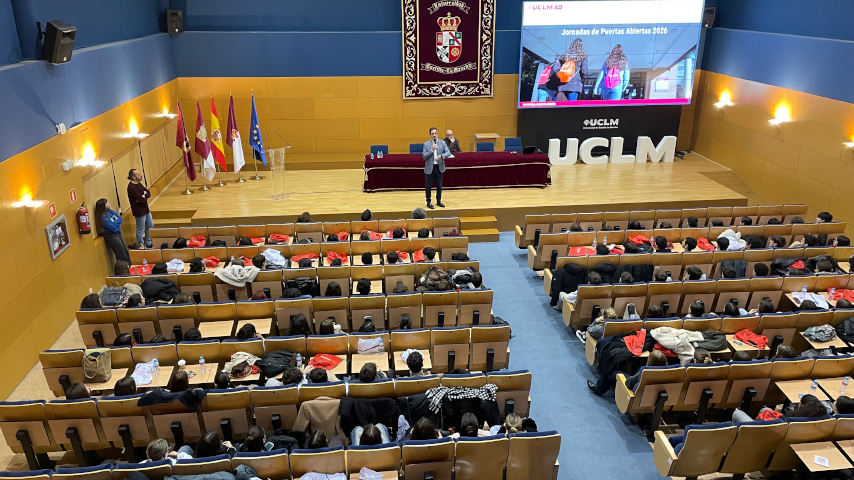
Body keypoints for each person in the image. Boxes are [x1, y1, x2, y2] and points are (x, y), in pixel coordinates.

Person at [733, 394, 826, 423]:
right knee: (765, 410)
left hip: (763, 433)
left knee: (737, 413)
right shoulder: (820, 419)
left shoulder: (788, 419)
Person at [94, 198, 131, 264]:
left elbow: (119, 219)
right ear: (103, 205)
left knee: (125, 251)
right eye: (107, 203)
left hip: (118, 233)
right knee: (121, 254)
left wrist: (114, 222)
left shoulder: (110, 211)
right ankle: (124, 269)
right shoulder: (103, 217)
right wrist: (116, 223)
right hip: (111, 236)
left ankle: (130, 267)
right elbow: (112, 228)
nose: (109, 203)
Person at [423, 127, 450, 209]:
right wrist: (432, 150)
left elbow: (448, 152)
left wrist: (441, 156)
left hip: (439, 167)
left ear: (437, 134)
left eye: (435, 133)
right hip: (430, 168)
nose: (434, 135)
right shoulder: (426, 144)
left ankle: (438, 201)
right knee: (428, 186)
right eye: (432, 134)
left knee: (439, 185)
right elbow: (424, 156)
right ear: (430, 135)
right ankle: (428, 201)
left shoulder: (442, 143)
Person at [127, 169, 154, 248]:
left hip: (146, 209)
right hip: (139, 211)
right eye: (138, 174)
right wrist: (143, 195)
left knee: (150, 225)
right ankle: (141, 245)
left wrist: (144, 195)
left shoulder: (138, 184)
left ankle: (148, 242)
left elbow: (148, 193)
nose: (140, 175)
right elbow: (142, 200)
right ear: (133, 177)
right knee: (140, 230)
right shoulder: (131, 187)